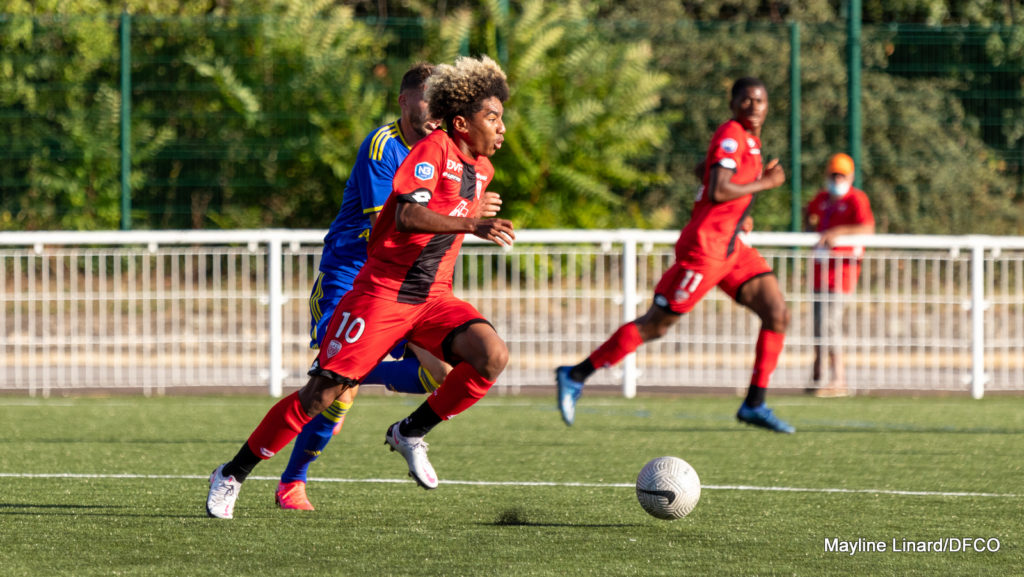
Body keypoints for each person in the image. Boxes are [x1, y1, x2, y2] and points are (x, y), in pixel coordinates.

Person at [207, 55, 514, 519]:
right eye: (492, 117)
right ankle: (233, 474)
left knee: (489, 356)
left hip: (432, 297)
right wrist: (472, 222)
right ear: (461, 122)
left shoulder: (482, 168)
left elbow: (444, 214)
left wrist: (469, 213)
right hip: (378, 289)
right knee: (323, 394)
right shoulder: (425, 150)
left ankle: (410, 432)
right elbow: (405, 215)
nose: (502, 128)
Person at [556, 76, 796, 434]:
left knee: (776, 313)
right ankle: (575, 375)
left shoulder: (750, 140)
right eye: (745, 100)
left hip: (731, 246)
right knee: (655, 325)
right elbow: (718, 189)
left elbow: (705, 172)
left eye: (759, 100)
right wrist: (767, 183)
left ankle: (754, 404)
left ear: (768, 105)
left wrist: (738, 216)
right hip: (706, 250)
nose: (753, 106)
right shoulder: (732, 134)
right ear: (732, 104)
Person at [273, 62, 453, 511]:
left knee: (441, 373)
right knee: (338, 394)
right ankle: (292, 481)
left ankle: (351, 375)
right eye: (429, 100)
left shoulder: (444, 149)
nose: (436, 112)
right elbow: (393, 224)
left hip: (403, 282)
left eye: (443, 103)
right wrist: (465, 219)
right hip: (350, 274)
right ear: (404, 101)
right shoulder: (383, 146)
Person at [803, 153, 875, 397]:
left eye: (841, 176)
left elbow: (867, 228)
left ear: (850, 177)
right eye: (834, 175)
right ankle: (818, 372)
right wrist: (810, 227)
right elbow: (809, 215)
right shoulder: (822, 199)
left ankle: (839, 378)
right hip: (819, 271)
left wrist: (838, 232)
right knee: (818, 325)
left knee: (830, 324)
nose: (837, 179)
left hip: (842, 273)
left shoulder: (857, 199)